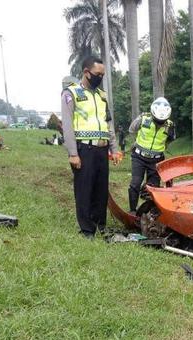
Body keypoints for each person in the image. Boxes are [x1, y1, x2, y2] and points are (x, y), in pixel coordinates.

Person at [61, 56, 121, 238]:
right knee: (84, 189)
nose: (100, 77)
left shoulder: (102, 96)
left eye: (102, 74)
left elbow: (108, 124)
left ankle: (100, 224)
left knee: (101, 189)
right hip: (84, 149)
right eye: (97, 74)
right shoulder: (71, 93)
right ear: (86, 73)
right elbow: (67, 125)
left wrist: (115, 148)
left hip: (102, 150)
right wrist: (73, 153)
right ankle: (87, 229)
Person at [127, 97, 176, 213]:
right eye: (157, 120)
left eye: (162, 121)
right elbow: (131, 129)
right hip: (138, 157)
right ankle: (132, 210)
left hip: (156, 160)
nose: (160, 122)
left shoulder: (170, 125)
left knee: (154, 188)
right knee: (135, 184)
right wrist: (137, 142)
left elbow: (171, 139)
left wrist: (160, 148)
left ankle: (149, 211)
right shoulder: (143, 118)